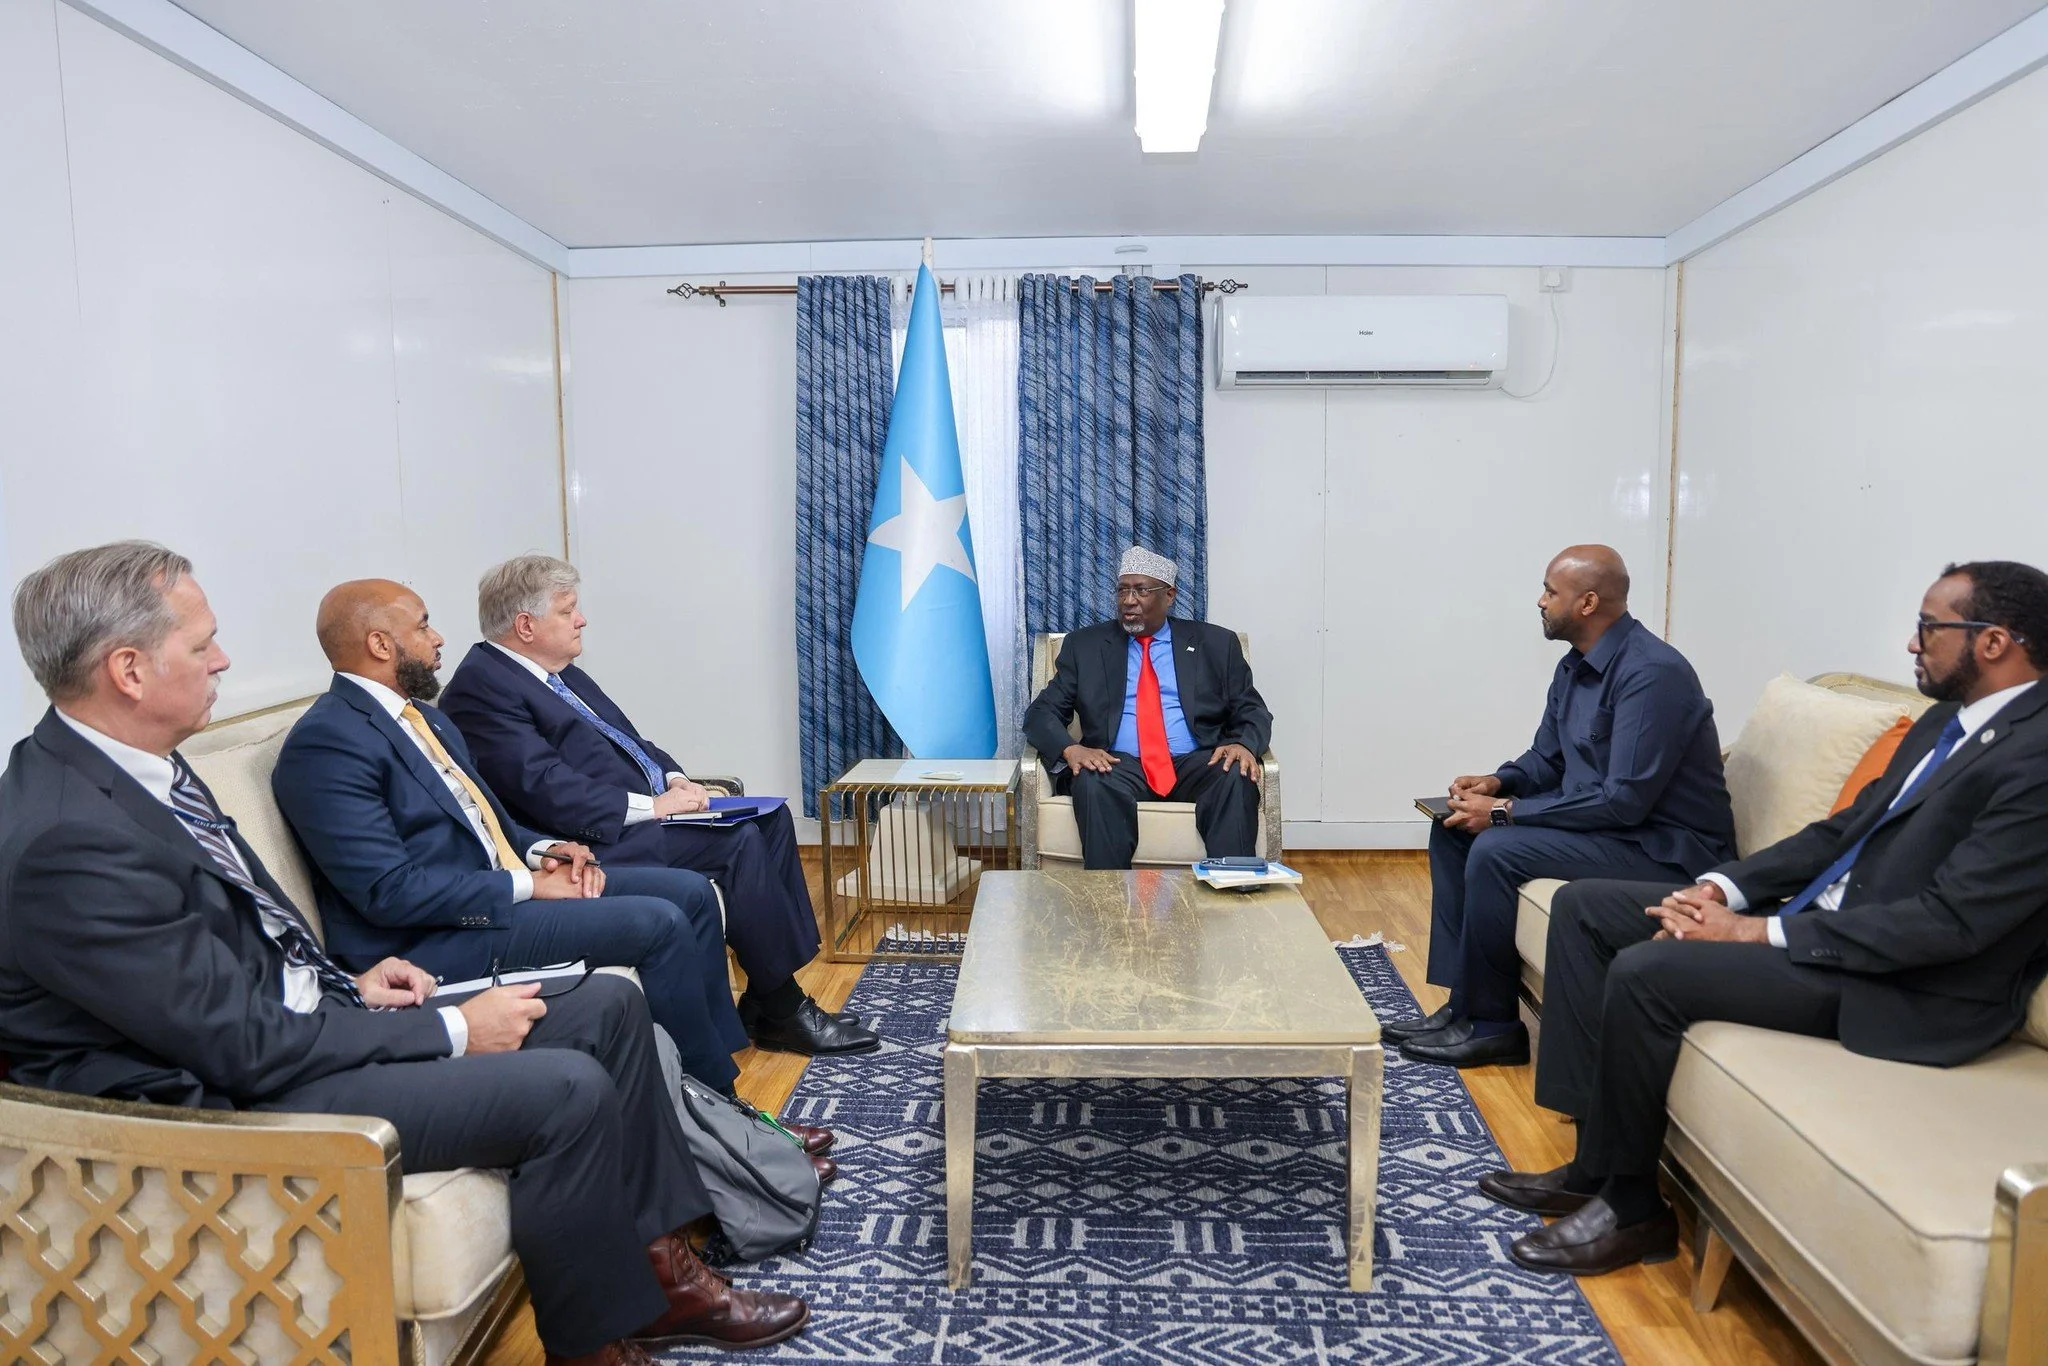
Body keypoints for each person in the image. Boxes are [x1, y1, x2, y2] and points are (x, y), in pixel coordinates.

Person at [0, 542, 808, 1364]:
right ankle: (591, 1346)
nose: (224, 659)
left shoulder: (140, 773)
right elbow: (235, 1045)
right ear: (129, 670)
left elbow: (233, 953)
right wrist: (452, 1029)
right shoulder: (68, 838)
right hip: (227, 1104)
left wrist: (346, 980)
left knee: (608, 1005)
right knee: (567, 1090)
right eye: (203, 642)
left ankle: (660, 1276)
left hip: (291, 1027)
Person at [1482, 561, 2048, 1278]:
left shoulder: (2036, 756)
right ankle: (1593, 1167)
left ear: (1994, 641)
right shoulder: (1948, 720)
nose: (1913, 643)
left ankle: (1633, 1210)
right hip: (1823, 924)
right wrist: (1723, 889)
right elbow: (1840, 833)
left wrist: (1757, 931)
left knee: (1649, 971)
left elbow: (1951, 922)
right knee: (1586, 905)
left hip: (1904, 979)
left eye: (1929, 627)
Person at [271, 581, 838, 1168]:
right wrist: (526, 884)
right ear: (380, 644)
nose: (438, 638)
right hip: (435, 938)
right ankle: (719, 1135)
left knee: (691, 894)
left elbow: (491, 823)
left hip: (498, 893)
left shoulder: (425, 722)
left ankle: (714, 1100)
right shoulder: (329, 742)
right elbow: (389, 893)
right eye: (423, 626)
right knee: (658, 923)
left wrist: (547, 851)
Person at [436, 556, 877, 1057]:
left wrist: (675, 777)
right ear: (525, 625)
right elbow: (545, 788)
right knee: (737, 843)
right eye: (568, 610)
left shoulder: (558, 672)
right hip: (590, 838)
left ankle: (764, 997)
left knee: (772, 818)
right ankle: (784, 1007)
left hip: (638, 817)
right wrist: (655, 807)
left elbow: (631, 741)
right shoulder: (481, 689)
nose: (581, 620)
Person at [1397, 546, 1736, 1070]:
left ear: (1587, 603)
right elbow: (1547, 759)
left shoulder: (1653, 674)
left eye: (1550, 591)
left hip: (1663, 850)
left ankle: (1493, 1028)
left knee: (1495, 849)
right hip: (1608, 831)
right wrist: (1498, 781)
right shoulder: (1573, 667)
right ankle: (1464, 1004)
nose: (1541, 600)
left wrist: (1504, 812)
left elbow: (1623, 801)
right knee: (1453, 828)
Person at [1021, 546, 1272, 871]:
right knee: (1092, 778)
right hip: (1116, 763)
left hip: (1197, 761)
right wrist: (1071, 749)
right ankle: (1109, 897)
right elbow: (1040, 713)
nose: (1129, 600)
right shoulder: (1085, 646)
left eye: (1141, 590)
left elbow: (1252, 709)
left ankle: (1235, 890)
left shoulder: (1215, 644)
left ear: (1169, 595)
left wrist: (1242, 744)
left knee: (1234, 774)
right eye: (1122, 590)